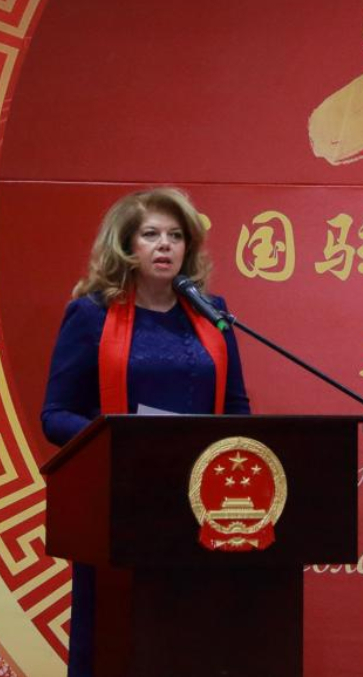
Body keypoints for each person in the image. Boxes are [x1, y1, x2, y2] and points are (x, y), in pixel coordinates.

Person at [40, 186, 250, 676]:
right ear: (126, 246)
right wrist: (125, 442)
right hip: (122, 505)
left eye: (176, 236)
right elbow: (55, 414)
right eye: (151, 234)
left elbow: (237, 410)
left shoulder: (211, 313)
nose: (164, 246)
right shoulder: (92, 314)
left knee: (191, 645)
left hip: (202, 507)